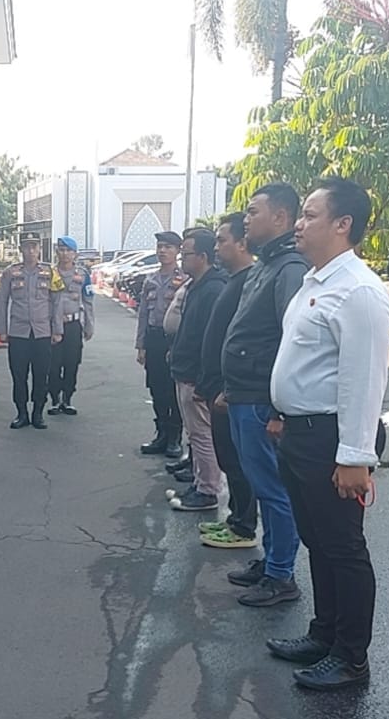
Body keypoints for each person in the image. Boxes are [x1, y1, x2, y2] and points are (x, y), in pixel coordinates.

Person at [267, 179, 389, 691]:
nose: (299, 224)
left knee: (343, 548)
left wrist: (355, 457)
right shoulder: (315, 282)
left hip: (333, 439)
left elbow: (364, 380)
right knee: (317, 541)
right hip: (302, 433)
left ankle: (351, 658)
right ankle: (324, 634)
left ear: (343, 224)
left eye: (310, 215)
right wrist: (282, 414)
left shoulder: (358, 290)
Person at [221, 184, 307, 607]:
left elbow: (290, 341)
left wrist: (277, 409)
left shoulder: (289, 268)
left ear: (280, 217)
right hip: (243, 393)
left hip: (260, 398)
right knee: (261, 484)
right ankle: (272, 560)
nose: (246, 218)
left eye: (254, 211)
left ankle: (280, 575)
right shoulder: (266, 265)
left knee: (274, 490)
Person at [196, 214, 258, 549]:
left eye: (222, 240)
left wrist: (226, 387)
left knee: (238, 462)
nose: (216, 247)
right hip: (217, 389)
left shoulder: (250, 283)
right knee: (228, 459)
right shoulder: (233, 280)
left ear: (242, 243)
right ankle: (235, 518)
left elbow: (246, 343)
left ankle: (244, 526)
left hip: (229, 392)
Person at [167, 229, 227, 511]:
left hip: (196, 375)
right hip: (185, 369)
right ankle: (200, 482)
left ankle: (207, 491)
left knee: (202, 434)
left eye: (186, 254)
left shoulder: (214, 289)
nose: (182, 260)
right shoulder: (198, 286)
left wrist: (204, 378)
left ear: (202, 256)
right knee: (195, 434)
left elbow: (209, 339)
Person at [0, 231, 65, 429]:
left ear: (39, 249)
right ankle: (22, 413)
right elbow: (2, 302)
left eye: (34, 246)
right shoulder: (10, 273)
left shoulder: (50, 272)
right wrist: (2, 329)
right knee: (19, 375)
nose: (31, 251)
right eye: (27, 247)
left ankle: (38, 413)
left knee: (41, 375)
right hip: (18, 332)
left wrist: (57, 329)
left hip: (42, 332)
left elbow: (57, 302)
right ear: (21, 249)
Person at [135, 231, 187, 457]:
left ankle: (175, 437)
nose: (162, 251)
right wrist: (141, 345)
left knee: (173, 389)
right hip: (154, 338)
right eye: (160, 246)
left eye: (168, 247)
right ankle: (162, 433)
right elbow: (143, 314)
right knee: (156, 388)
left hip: (174, 340)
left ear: (178, 251)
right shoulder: (150, 280)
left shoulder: (185, 279)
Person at [47, 235, 95, 416]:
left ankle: (67, 399)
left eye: (69, 250)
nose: (65, 254)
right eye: (61, 250)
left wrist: (89, 325)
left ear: (75, 254)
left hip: (73, 325)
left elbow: (88, 301)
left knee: (72, 363)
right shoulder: (49, 273)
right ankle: (55, 399)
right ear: (56, 252)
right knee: (53, 365)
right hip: (53, 325)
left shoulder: (82, 275)